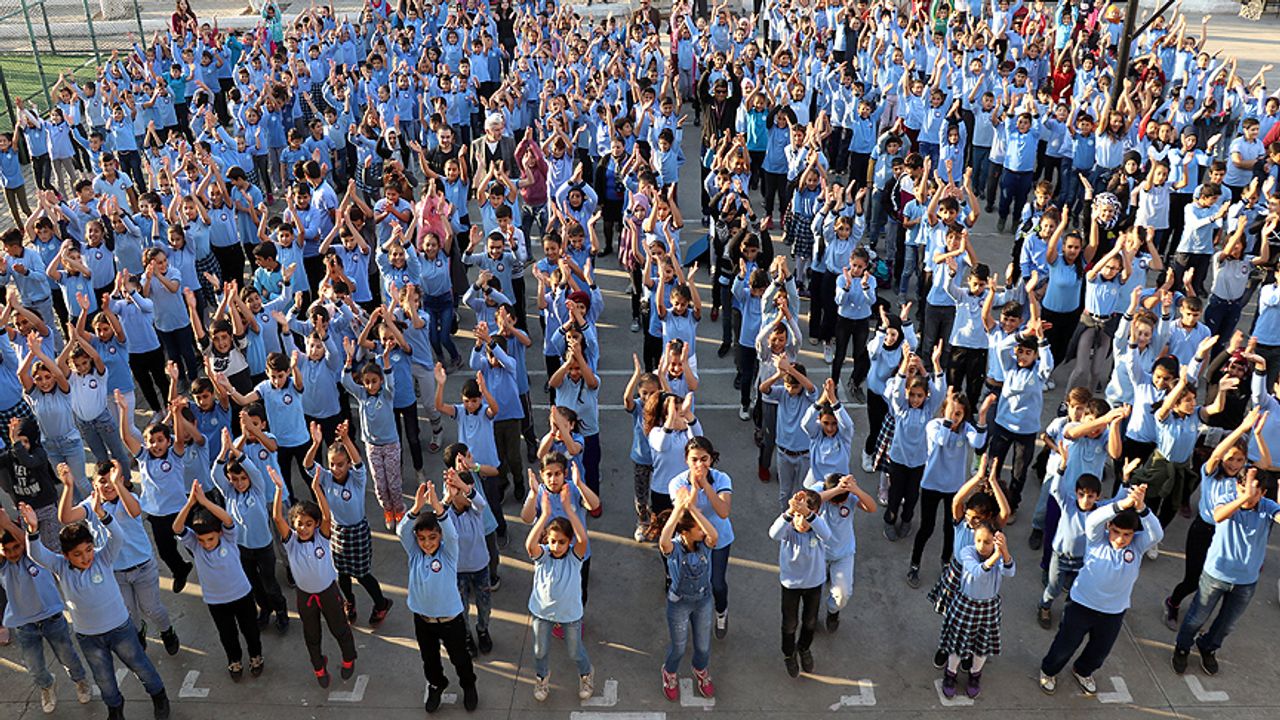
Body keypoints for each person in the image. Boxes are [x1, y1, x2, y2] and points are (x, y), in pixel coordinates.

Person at [19, 494, 171, 720]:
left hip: (121, 629)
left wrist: (102, 514)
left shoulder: (103, 558)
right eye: (77, 554)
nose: (85, 557)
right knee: (104, 679)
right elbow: (36, 554)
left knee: (140, 666)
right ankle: (115, 709)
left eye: (89, 549)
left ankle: (159, 696)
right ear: (65, 555)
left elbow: (117, 536)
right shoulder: (60, 567)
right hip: (89, 637)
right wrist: (32, 529)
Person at [1039, 483, 1163, 695]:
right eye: (1115, 532)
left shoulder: (1137, 547)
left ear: (1134, 535)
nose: (1120, 539)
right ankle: (1049, 670)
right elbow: (1093, 520)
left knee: (1099, 650)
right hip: (1081, 605)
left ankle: (1083, 670)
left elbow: (1157, 534)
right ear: (1108, 527)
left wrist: (1142, 509)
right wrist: (1121, 504)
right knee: (1065, 644)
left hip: (1113, 612)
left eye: (1127, 534)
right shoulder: (1096, 539)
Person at [268, 464, 356, 688]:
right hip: (305, 597)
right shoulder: (291, 542)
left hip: (328, 593)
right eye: (300, 524)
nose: (304, 528)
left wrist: (317, 488)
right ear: (294, 525)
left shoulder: (322, 537)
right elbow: (277, 518)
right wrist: (279, 489)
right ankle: (319, 666)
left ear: (316, 525)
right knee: (312, 635)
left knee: (339, 629)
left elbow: (327, 516)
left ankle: (349, 657)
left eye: (309, 524)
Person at [0, 506, 93, 714]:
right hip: (25, 626)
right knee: (35, 667)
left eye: (16, 547)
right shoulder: (4, 566)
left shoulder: (35, 557)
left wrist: (7, 524)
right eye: (7, 550)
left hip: (52, 619)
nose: (13, 553)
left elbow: (28, 544)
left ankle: (80, 680)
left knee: (67, 657)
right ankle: (47, 685)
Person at [398, 480, 479, 713]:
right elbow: (402, 532)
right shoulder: (415, 554)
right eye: (422, 538)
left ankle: (468, 685)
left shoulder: (448, 554)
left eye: (432, 537)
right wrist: (416, 507)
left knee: (460, 658)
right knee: (430, 660)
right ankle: (436, 685)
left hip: (450, 621)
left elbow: (452, 536)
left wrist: (438, 507)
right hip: (423, 620)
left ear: (440, 537)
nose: (427, 543)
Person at [172, 480, 264, 681]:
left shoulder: (229, 539)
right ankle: (234, 660)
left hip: (242, 595)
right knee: (227, 635)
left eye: (210, 539)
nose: (206, 544)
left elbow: (228, 519)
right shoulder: (195, 545)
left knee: (250, 630)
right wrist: (190, 503)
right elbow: (177, 528)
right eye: (202, 540)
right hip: (216, 601)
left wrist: (205, 502)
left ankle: (256, 656)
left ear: (220, 533)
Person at [306, 420, 394, 627]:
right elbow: (308, 465)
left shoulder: (357, 479)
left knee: (362, 574)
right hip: (338, 531)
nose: (336, 469)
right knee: (342, 573)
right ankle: (350, 602)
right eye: (332, 464)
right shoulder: (325, 478)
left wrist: (346, 440)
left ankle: (381, 603)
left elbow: (359, 462)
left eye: (340, 464)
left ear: (348, 464)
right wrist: (316, 444)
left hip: (358, 532)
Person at [525, 470, 594, 703]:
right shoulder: (543, 555)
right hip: (541, 613)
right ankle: (541, 677)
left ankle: (586, 674)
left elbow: (583, 540)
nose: (556, 546)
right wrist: (544, 515)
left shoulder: (575, 558)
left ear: (569, 542)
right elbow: (530, 545)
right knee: (540, 651)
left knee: (575, 651)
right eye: (553, 541)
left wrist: (569, 509)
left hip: (570, 615)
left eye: (562, 542)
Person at [936, 522, 1014, 699]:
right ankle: (950, 674)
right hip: (965, 604)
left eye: (987, 542)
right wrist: (997, 554)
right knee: (957, 644)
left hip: (989, 607)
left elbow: (1010, 572)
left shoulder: (1000, 555)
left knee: (982, 647)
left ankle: (975, 675)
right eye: (978, 540)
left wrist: (1004, 552)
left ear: (995, 541)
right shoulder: (968, 552)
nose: (981, 545)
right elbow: (978, 572)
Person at [657, 484, 719, 700]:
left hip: (703, 601)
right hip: (679, 604)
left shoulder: (705, 545)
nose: (703, 530)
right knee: (679, 648)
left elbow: (713, 534)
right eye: (698, 528)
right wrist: (678, 509)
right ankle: (669, 672)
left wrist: (692, 509)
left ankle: (700, 669)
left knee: (703, 647)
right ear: (685, 532)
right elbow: (663, 540)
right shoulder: (674, 548)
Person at [770, 489, 831, 678]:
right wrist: (791, 511)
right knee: (790, 623)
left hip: (814, 584)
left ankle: (804, 648)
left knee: (810, 621)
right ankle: (789, 654)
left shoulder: (818, 529)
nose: (801, 523)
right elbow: (773, 534)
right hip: (791, 585)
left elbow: (827, 534)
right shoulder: (787, 529)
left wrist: (808, 513)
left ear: (815, 515)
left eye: (806, 517)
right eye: (798, 516)